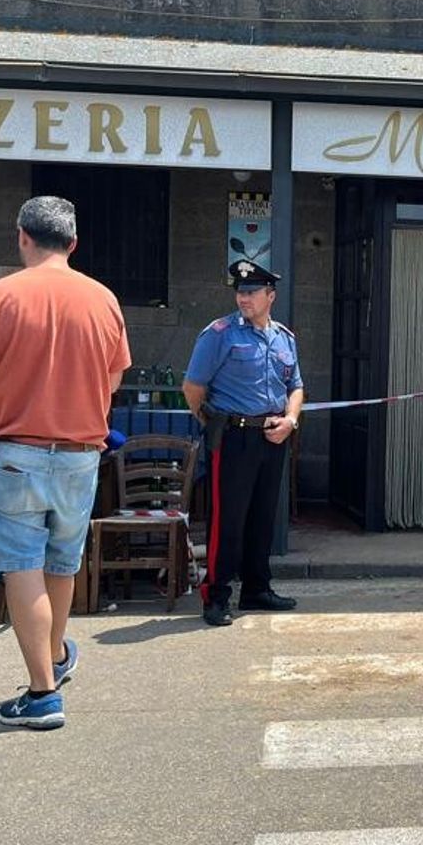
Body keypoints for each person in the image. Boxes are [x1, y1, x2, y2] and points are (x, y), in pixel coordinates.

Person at [0, 196, 131, 730]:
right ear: (72, 244)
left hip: (15, 452)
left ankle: (43, 693)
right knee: (61, 564)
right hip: (79, 455)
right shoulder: (103, 300)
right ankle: (55, 659)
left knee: (21, 566)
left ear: (23, 236)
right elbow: (113, 380)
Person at [182, 259, 304, 627]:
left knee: (262, 516)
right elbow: (192, 388)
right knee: (228, 520)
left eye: (251, 292)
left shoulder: (284, 338)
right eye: (240, 291)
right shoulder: (219, 334)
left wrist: (291, 420)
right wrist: (211, 421)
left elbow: (295, 386)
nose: (243, 298)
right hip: (233, 436)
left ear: (271, 296)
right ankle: (217, 595)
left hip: (273, 435)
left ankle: (256, 588)